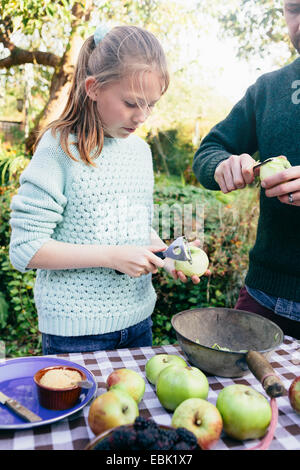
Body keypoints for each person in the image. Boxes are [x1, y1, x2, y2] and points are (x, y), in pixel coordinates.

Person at [9, 24, 200, 355]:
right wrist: (111, 257)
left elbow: (134, 228)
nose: (142, 116)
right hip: (76, 334)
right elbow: (26, 249)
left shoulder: (140, 152)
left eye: (151, 104)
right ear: (93, 88)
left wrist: (167, 255)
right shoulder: (59, 148)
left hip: (139, 324)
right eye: (130, 102)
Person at [192, 0, 300, 339]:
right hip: (262, 296)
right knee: (229, 389)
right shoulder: (268, 89)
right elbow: (209, 150)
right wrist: (223, 165)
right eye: (294, 8)